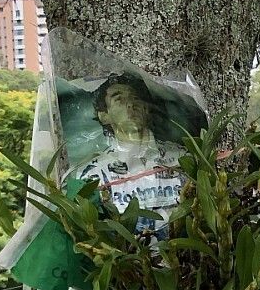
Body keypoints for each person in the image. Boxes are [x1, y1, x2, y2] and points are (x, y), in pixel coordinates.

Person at [73, 73, 185, 239]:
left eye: (135, 98)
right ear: (104, 116)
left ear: (147, 108)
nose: (131, 104)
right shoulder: (92, 174)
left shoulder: (182, 158)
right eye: (119, 99)